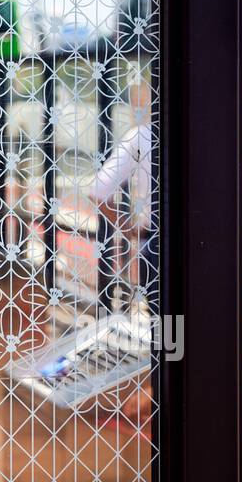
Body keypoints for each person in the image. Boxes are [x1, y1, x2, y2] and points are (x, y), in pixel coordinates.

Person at [88, 75, 154, 423]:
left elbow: (97, 192)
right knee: (195, 320)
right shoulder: (204, 131)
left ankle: (160, 390)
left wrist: (128, 229)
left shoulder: (140, 137)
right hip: (206, 244)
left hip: (154, 241)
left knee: (167, 323)